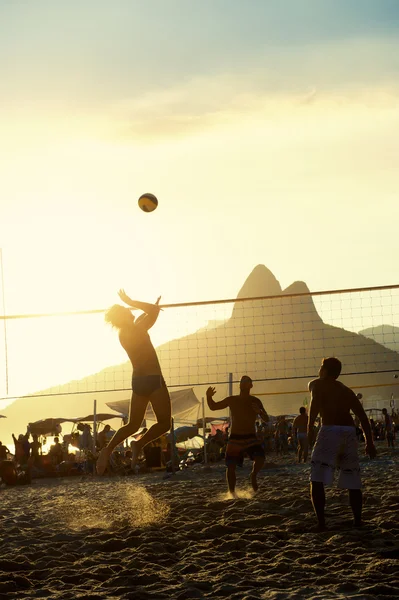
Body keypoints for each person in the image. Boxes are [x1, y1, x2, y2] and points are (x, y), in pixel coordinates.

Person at [96, 290, 171, 475]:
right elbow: (152, 311)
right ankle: (139, 443)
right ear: (124, 315)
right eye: (126, 308)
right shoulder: (137, 328)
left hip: (138, 381)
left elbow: (149, 313)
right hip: (153, 379)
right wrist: (133, 301)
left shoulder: (124, 333)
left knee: (132, 425)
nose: (130, 309)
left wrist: (150, 308)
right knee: (164, 423)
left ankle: (108, 449)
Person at [308, 357, 377, 530]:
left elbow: (315, 403)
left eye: (320, 367)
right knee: (352, 480)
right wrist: (369, 442)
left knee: (316, 479)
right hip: (348, 432)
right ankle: (357, 521)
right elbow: (362, 417)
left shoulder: (317, 384)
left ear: (324, 370)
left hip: (330, 430)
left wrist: (309, 428)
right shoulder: (347, 391)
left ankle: (321, 523)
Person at [206, 375, 269, 495]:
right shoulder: (232, 400)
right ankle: (232, 493)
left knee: (260, 459)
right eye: (242, 381)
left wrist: (259, 412)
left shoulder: (255, 401)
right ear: (239, 385)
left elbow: (266, 419)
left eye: (246, 381)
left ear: (251, 385)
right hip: (235, 437)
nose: (243, 383)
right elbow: (213, 407)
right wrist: (209, 396)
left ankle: (253, 475)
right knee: (231, 466)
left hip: (251, 436)